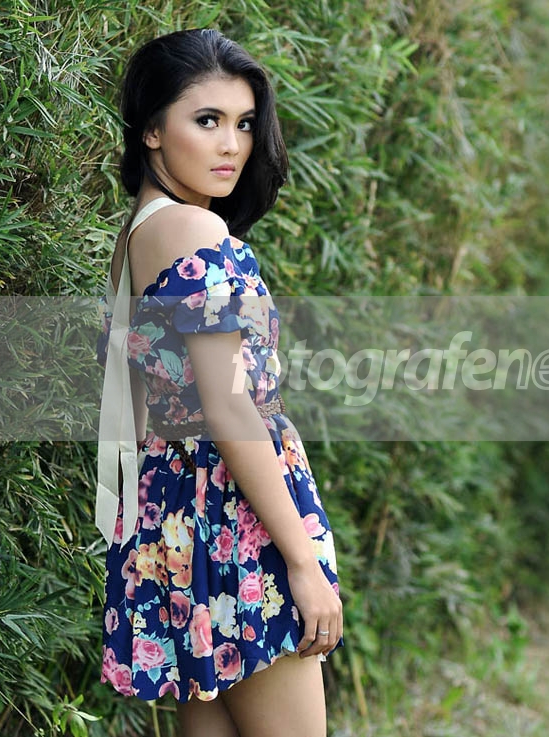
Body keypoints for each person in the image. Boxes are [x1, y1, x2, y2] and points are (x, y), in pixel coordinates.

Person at [94, 28, 343, 737]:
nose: (232, 144)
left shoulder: (139, 234)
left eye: (244, 123)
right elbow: (228, 408)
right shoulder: (194, 234)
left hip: (178, 513)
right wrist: (301, 561)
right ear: (151, 130)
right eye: (207, 120)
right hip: (233, 516)